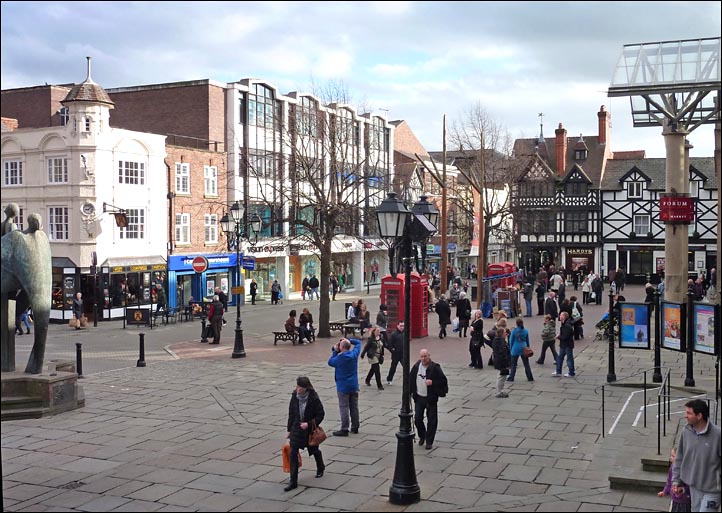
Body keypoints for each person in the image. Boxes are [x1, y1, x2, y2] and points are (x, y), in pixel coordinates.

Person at [671, 399, 721, 512]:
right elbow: (679, 457)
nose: (686, 416)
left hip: (712, 490)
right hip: (694, 487)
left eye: (689, 413)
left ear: (699, 416)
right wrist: (676, 481)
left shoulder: (718, 435)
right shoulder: (686, 431)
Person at [284, 376, 326, 492]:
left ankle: (320, 467)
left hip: (309, 431)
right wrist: (289, 430)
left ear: (305, 388)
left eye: (300, 387)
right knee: (293, 454)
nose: (297, 389)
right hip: (296, 429)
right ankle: (293, 481)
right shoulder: (294, 397)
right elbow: (291, 413)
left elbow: (320, 414)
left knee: (314, 450)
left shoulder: (313, 398)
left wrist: (308, 424)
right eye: (297, 386)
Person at [410, 349, 448, 450]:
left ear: (429, 356)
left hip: (430, 398)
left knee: (432, 420)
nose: (423, 359)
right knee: (418, 419)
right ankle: (422, 435)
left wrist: (433, 382)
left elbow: (443, 381)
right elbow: (411, 379)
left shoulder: (435, 368)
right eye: (421, 356)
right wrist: (409, 392)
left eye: (425, 356)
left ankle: (429, 441)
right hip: (419, 397)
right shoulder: (416, 366)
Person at [327, 337, 362, 436]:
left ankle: (344, 428)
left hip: (343, 386)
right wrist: (349, 340)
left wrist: (335, 351)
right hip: (354, 385)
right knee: (354, 406)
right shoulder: (354, 354)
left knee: (344, 407)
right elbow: (358, 343)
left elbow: (330, 362)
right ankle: (355, 426)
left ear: (341, 348)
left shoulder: (339, 358)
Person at [659, 447, 691, 512]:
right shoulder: (672, 467)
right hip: (674, 499)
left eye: (673, 456)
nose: (671, 458)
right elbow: (669, 481)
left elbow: (689, 485)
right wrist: (664, 491)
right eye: (671, 455)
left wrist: (682, 489)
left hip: (685, 501)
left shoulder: (686, 470)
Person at [507, 317, 534, 382]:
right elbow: (527, 341)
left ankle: (511, 377)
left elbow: (511, 341)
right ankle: (530, 377)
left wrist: (511, 349)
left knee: (513, 364)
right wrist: (528, 347)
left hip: (515, 348)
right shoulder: (526, 331)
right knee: (526, 364)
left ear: (516, 324)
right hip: (524, 347)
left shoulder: (514, 331)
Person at [553, 311, 575, 377]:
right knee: (560, 357)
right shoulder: (565, 324)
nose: (559, 316)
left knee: (569, 359)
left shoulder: (567, 325)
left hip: (567, 345)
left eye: (561, 315)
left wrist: (558, 336)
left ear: (564, 317)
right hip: (564, 344)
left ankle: (571, 372)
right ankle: (558, 371)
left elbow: (565, 336)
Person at [492, 328, 511, 398]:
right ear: (502, 334)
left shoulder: (497, 340)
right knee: (502, 376)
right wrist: (507, 363)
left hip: (499, 361)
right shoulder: (500, 342)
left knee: (502, 376)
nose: (506, 334)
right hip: (501, 362)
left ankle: (500, 390)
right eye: (505, 332)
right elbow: (503, 354)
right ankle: (499, 391)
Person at [385, 321, 405, 385]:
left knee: (405, 367)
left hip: (402, 354)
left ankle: (408, 379)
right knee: (393, 367)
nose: (402, 327)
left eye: (403, 326)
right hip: (396, 354)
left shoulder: (405, 333)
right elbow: (390, 344)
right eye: (401, 326)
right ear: (397, 326)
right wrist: (392, 350)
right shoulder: (394, 334)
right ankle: (389, 379)